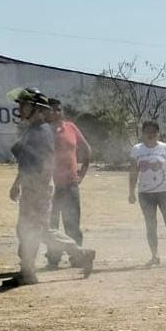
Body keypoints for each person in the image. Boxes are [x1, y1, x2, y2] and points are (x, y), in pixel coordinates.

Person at [6, 89, 95, 284]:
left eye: (24, 105)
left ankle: (80, 254)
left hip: (38, 185)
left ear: (37, 109)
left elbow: (43, 161)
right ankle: (28, 271)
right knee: (29, 229)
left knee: (36, 229)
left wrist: (33, 183)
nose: (19, 108)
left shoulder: (41, 131)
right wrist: (19, 181)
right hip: (33, 184)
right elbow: (27, 160)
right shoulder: (33, 129)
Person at [43, 99, 92, 269]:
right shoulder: (44, 131)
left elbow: (86, 149)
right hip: (51, 187)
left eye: (58, 109)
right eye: (52, 110)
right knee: (51, 223)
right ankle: (53, 258)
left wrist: (82, 172)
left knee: (72, 223)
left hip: (71, 185)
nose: (56, 113)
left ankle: (77, 257)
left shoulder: (71, 127)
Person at [129, 120, 166, 267]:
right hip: (145, 194)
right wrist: (131, 191)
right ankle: (154, 256)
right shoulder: (137, 150)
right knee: (150, 225)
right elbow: (133, 172)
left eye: (153, 132)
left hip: (165, 192)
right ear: (143, 133)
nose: (150, 135)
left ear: (158, 133)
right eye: (147, 132)